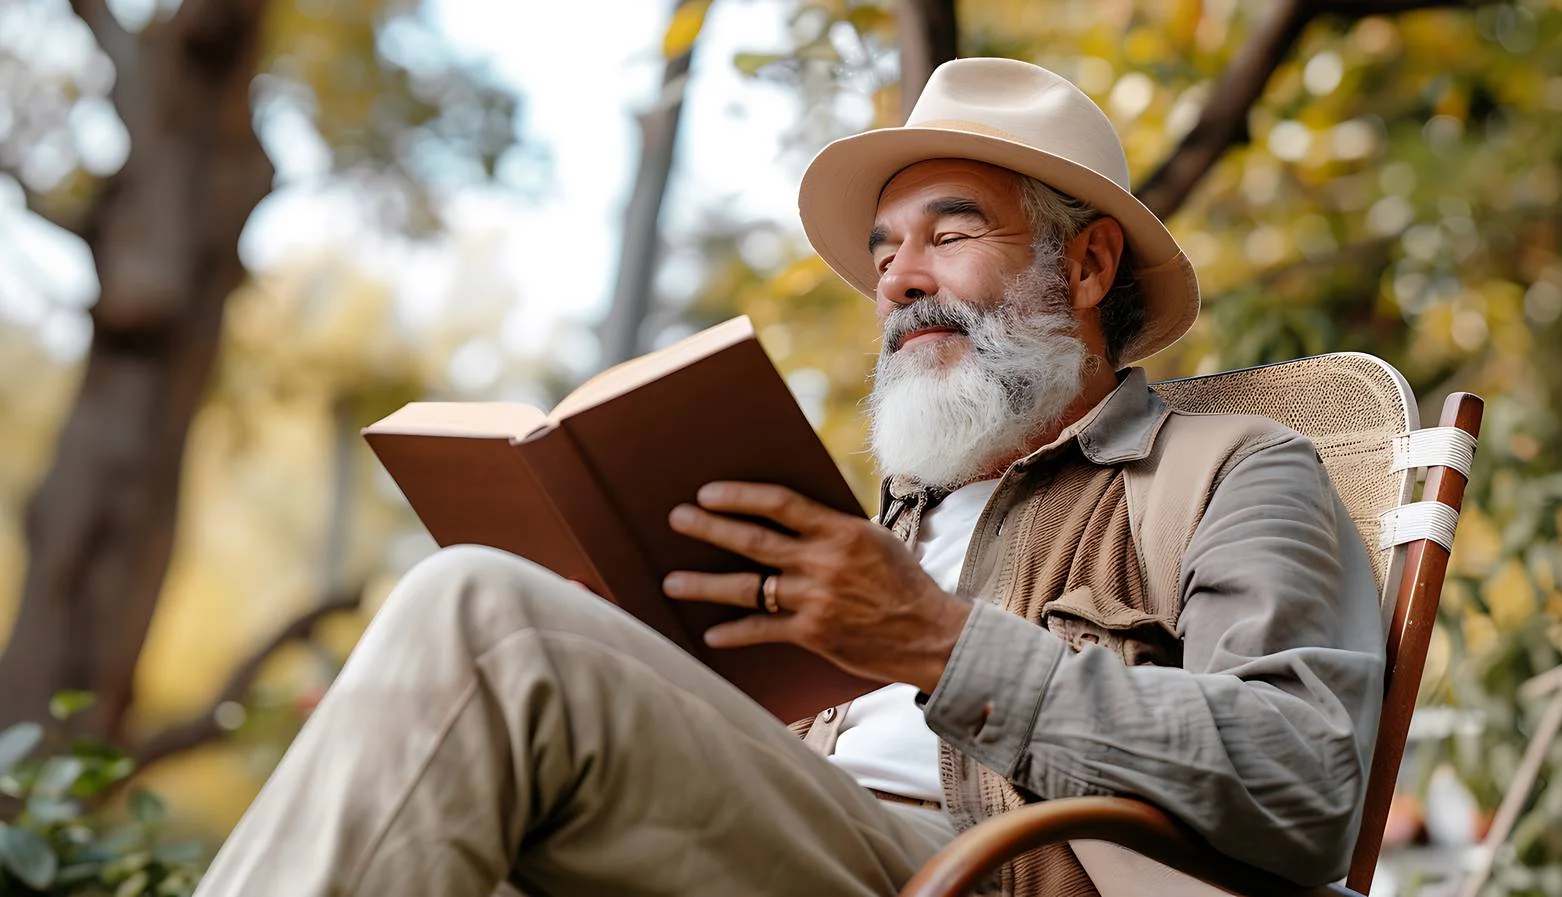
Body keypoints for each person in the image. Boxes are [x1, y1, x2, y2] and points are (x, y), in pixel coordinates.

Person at [193, 58, 1384, 897]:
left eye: (949, 232)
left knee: (480, 617)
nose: (897, 279)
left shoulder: (1230, 469)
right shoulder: (882, 522)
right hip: (781, 845)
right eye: (882, 251)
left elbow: (1306, 781)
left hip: (976, 877)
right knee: (484, 695)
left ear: (1083, 263)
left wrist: (937, 644)